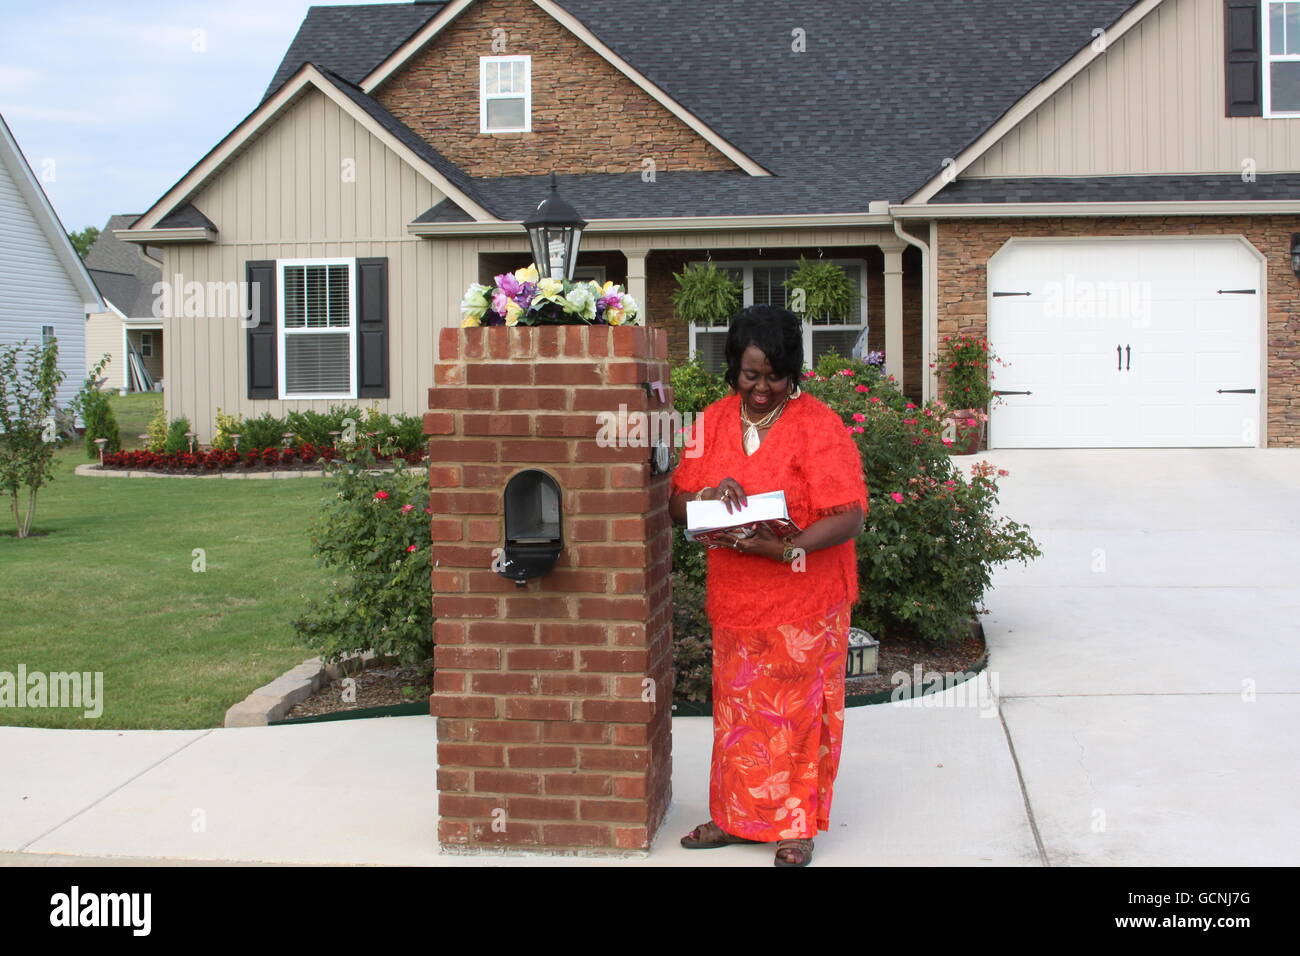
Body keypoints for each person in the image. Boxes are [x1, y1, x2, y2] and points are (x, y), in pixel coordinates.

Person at [670, 304, 868, 867]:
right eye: (750, 374)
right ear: (733, 367)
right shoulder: (710, 421)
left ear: (793, 371)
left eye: (774, 375)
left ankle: (796, 826)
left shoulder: (818, 424)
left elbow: (849, 514)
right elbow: (675, 507)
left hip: (807, 598)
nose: (761, 387)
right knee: (740, 717)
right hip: (737, 598)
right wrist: (706, 496)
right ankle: (736, 818)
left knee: (799, 716)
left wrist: (787, 547)